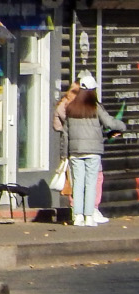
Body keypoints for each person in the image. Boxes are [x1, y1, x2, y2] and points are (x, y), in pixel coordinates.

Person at [53, 72, 126, 227]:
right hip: (93, 151)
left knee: (78, 183)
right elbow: (110, 123)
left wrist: (64, 154)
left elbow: (65, 134)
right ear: (93, 90)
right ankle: (89, 216)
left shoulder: (71, 108)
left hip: (75, 152)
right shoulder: (95, 107)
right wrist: (122, 126)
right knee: (91, 183)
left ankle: (77, 216)